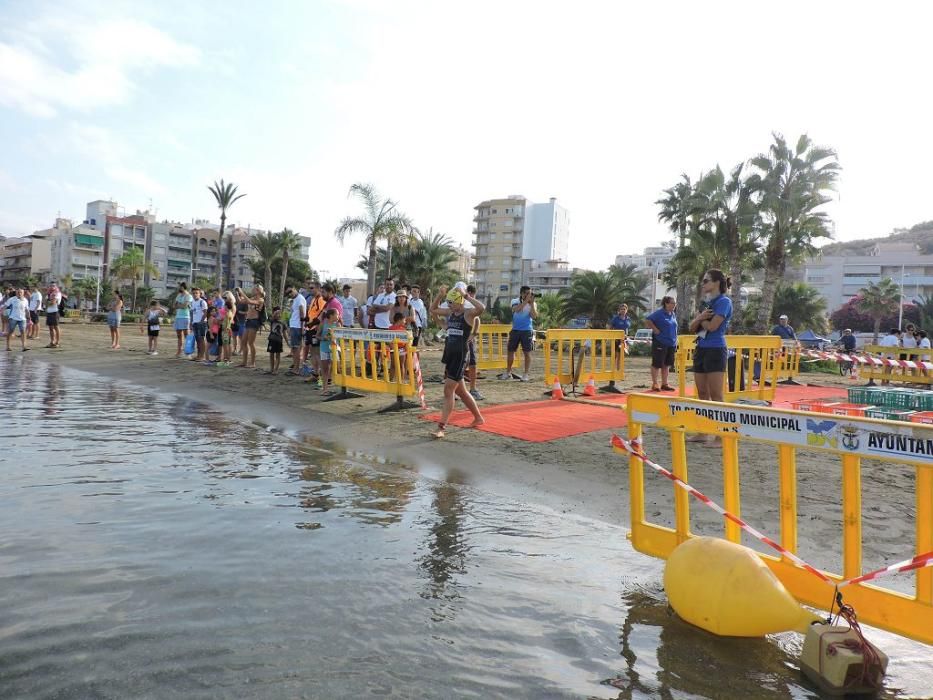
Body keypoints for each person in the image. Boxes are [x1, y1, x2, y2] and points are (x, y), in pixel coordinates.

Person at [430, 285, 486, 438]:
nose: (449, 306)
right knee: (461, 391)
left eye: (451, 303)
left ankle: (441, 427)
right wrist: (439, 295)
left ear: (459, 301)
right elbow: (433, 310)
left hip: (461, 357)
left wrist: (466, 296)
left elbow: (482, 308)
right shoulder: (450, 313)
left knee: (448, 391)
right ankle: (478, 418)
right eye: (447, 303)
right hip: (451, 355)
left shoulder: (468, 314)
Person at [688, 269, 733, 445]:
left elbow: (713, 327)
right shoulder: (707, 304)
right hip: (701, 348)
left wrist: (701, 320)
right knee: (702, 394)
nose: (703, 283)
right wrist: (700, 317)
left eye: (706, 280)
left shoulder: (724, 301)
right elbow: (692, 327)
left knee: (716, 395)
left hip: (716, 349)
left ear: (716, 282)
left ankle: (721, 435)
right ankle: (702, 432)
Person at [499, 286, 537, 381]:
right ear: (522, 293)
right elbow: (516, 310)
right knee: (510, 351)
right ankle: (508, 372)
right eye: (527, 293)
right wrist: (525, 301)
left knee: (527, 353)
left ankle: (526, 374)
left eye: (530, 293)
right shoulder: (515, 301)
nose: (529, 295)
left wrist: (531, 304)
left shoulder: (532, 303)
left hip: (527, 330)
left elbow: (534, 316)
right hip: (515, 330)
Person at [645, 296, 678, 391]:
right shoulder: (659, 313)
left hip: (671, 343)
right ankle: (655, 383)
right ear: (666, 303)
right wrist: (655, 330)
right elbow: (648, 320)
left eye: (675, 303)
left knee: (667, 364)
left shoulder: (672, 314)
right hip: (660, 342)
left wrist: (675, 340)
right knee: (657, 363)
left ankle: (665, 383)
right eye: (672, 303)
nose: (674, 305)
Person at [238, 285, 265, 369]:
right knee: (243, 341)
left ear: (259, 291)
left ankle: (252, 363)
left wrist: (242, 292)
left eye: (255, 289)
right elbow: (241, 301)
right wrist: (238, 293)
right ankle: (244, 362)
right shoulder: (253, 297)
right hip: (248, 321)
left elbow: (249, 301)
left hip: (254, 322)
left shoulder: (261, 300)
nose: (253, 289)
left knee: (251, 343)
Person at [318, 307, 340, 395]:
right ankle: (325, 389)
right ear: (331, 315)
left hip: (334, 348)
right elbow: (317, 336)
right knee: (325, 369)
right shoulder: (323, 324)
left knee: (335, 367)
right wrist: (323, 338)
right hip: (324, 348)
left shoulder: (338, 325)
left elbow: (341, 337)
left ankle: (329, 384)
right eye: (337, 314)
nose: (338, 316)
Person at [286, 286, 307, 375]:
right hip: (294, 325)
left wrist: (302, 327)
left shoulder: (299, 299)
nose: (290, 294)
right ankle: (295, 367)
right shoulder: (295, 300)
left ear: (294, 288)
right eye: (288, 293)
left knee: (296, 348)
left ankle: (296, 369)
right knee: (294, 348)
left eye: (290, 291)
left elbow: (302, 313)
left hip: (297, 326)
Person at [4, 288, 29, 352]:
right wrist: (5, 315)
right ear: (16, 293)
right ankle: (8, 346)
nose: (19, 293)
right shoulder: (12, 299)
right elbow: (5, 306)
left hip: (22, 319)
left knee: (23, 332)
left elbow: (26, 309)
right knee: (10, 332)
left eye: (21, 292)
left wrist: (29, 316)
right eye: (18, 292)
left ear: (23, 293)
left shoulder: (25, 300)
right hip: (13, 318)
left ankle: (24, 346)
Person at [173, 282, 193, 358]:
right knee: (179, 336)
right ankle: (179, 351)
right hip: (178, 317)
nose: (179, 288)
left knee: (186, 336)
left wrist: (179, 305)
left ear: (183, 287)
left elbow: (185, 306)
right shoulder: (179, 295)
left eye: (180, 287)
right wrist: (180, 305)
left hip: (185, 317)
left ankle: (188, 352)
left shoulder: (189, 296)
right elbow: (174, 305)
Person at [190, 288, 209, 361]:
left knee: (201, 339)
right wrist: (191, 322)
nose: (195, 294)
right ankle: (198, 355)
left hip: (201, 323)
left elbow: (205, 312)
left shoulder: (202, 302)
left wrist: (201, 321)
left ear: (199, 294)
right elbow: (192, 313)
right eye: (193, 293)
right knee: (197, 340)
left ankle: (202, 356)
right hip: (194, 323)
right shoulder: (192, 302)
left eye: (196, 293)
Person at [266, 307, 285, 375]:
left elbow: (284, 333)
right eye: (276, 313)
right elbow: (270, 318)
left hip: (279, 341)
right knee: (271, 354)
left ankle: (276, 369)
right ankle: (271, 369)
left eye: (279, 314)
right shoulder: (272, 321)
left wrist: (288, 342)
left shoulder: (283, 323)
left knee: (278, 355)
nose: (278, 315)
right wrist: (275, 313)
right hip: (271, 340)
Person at [45, 284, 62, 348]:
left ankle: (57, 342)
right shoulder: (49, 294)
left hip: (55, 312)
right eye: (51, 285)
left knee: (56, 327)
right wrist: (50, 301)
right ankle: (52, 342)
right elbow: (45, 303)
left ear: (56, 287)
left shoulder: (58, 293)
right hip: (49, 312)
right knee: (50, 328)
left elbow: (53, 303)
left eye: (53, 285)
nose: (52, 287)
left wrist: (49, 301)